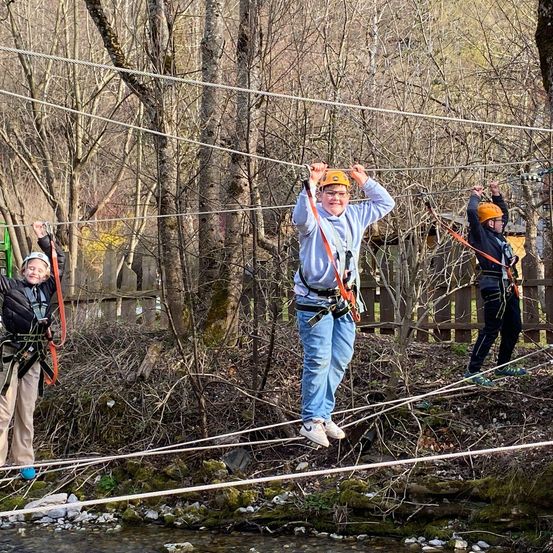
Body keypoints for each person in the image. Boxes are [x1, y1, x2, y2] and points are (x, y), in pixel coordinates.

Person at [293, 162, 395, 447]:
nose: (335, 198)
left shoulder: (356, 215)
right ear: (322, 195)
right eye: (330, 193)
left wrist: (364, 181)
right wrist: (311, 184)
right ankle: (311, 419)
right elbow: (300, 217)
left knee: (339, 359)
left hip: (345, 300)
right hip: (314, 302)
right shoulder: (314, 216)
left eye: (341, 193)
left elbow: (386, 202)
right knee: (318, 359)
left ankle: (324, 414)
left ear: (349, 197)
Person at [0, 221, 65, 479]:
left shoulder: (48, 289)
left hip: (34, 355)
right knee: (4, 410)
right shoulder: (12, 287)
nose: (35, 272)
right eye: (31, 267)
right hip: (11, 354)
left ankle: (23, 460)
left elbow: (59, 262)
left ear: (46, 274)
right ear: (23, 269)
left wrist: (44, 238)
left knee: (26, 410)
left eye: (40, 269)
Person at [464, 182, 526, 387]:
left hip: (508, 285)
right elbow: (472, 214)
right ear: (490, 223)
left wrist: (496, 193)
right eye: (498, 221)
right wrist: (475, 196)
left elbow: (504, 213)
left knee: (514, 326)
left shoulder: (497, 236)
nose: (503, 223)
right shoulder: (480, 237)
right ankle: (473, 370)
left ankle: (502, 365)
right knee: (491, 329)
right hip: (493, 287)